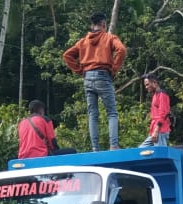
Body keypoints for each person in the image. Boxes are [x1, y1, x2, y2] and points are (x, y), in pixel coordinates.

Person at [62, 12, 127, 152]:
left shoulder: (83, 41)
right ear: (103, 24)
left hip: (88, 77)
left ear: (92, 25)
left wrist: (80, 71)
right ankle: (114, 145)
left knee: (93, 114)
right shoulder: (109, 38)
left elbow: (67, 55)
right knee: (112, 113)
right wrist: (114, 69)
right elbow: (121, 49)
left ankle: (95, 148)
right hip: (103, 75)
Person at [139, 74, 170, 147]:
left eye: (147, 85)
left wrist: (156, 130)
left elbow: (163, 113)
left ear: (154, 83)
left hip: (160, 130)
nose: (146, 87)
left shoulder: (162, 94)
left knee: (161, 154)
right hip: (154, 130)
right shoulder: (155, 95)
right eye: (145, 86)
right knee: (141, 149)